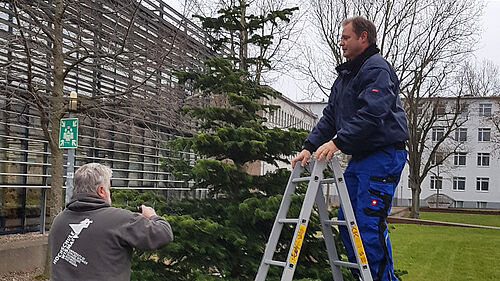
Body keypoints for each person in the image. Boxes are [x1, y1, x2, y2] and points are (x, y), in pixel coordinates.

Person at [292, 16, 408, 281]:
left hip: (383, 154)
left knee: (367, 224)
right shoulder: (345, 76)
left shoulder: (376, 69)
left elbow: (372, 113)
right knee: (347, 224)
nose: (341, 42)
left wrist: (336, 143)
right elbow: (331, 117)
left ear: (363, 37)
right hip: (362, 156)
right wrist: (308, 147)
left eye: (346, 37)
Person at [49, 163, 173, 281]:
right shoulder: (120, 220)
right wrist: (152, 216)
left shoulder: (59, 221)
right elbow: (163, 234)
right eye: (109, 188)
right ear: (101, 191)